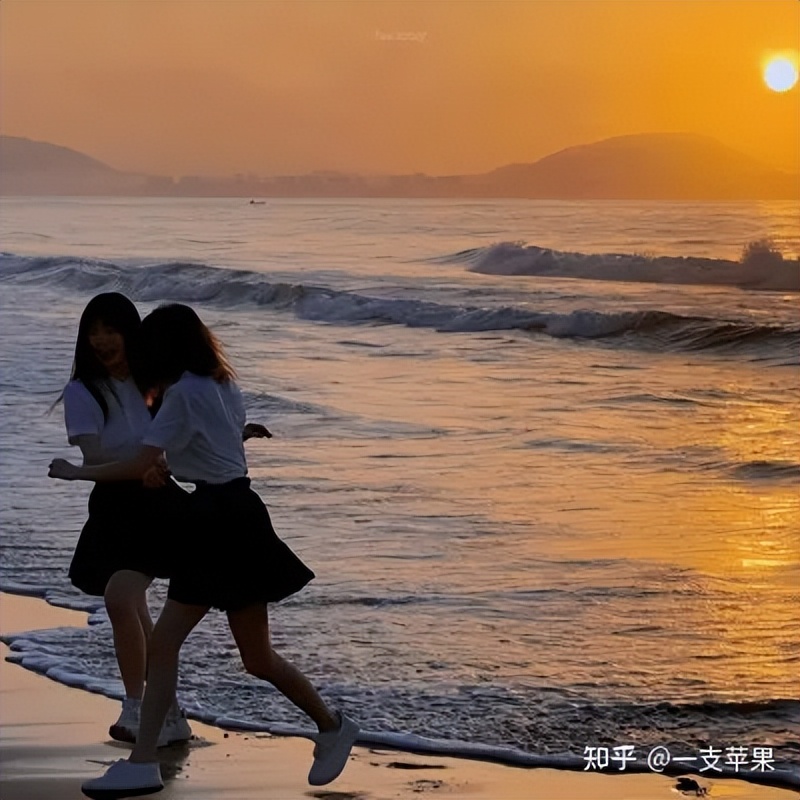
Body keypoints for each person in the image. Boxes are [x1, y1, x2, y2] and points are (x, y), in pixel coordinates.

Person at [49, 303, 359, 797]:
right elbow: (209, 449)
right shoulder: (222, 384)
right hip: (238, 513)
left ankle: (144, 761)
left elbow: (141, 462)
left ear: (166, 347)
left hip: (216, 522)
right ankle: (331, 726)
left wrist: (76, 472)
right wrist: (168, 467)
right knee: (255, 657)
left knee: (176, 646)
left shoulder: (179, 395)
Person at [58, 292, 192, 748]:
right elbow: (96, 456)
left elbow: (181, 435)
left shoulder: (153, 381)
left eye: (111, 330)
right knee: (132, 605)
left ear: (129, 333)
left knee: (121, 599)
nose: (101, 340)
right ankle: (167, 711)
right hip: (114, 506)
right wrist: (143, 462)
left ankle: (137, 706)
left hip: (158, 503)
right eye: (93, 332)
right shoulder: (82, 392)